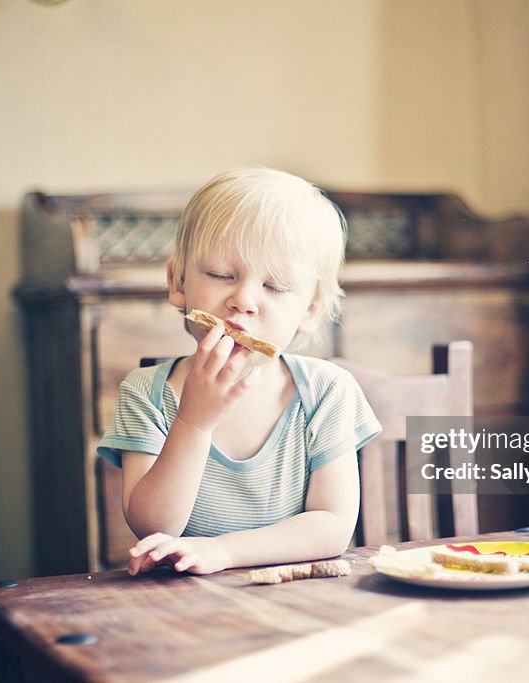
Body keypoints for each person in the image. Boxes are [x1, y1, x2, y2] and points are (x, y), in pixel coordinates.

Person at [97, 167, 381, 576]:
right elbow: (154, 527)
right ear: (177, 281)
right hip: (186, 605)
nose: (244, 300)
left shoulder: (326, 392)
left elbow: (331, 528)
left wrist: (224, 552)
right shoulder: (146, 393)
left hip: (300, 600)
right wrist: (194, 421)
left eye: (276, 287)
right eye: (220, 275)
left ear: (311, 311)